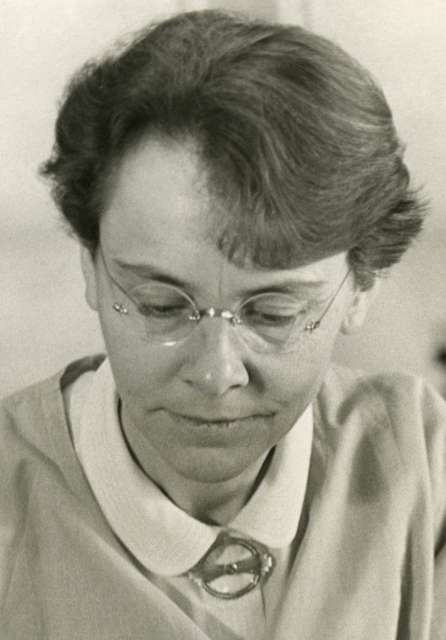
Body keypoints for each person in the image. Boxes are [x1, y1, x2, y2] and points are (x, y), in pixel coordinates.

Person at [1, 9, 445, 640]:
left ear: (361, 287)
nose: (216, 373)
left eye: (274, 312)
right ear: (92, 268)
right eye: (159, 305)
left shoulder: (426, 471)